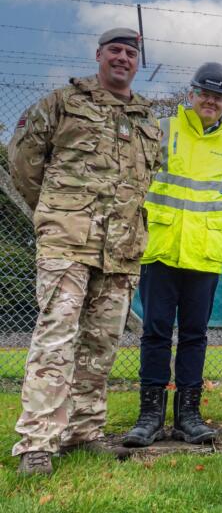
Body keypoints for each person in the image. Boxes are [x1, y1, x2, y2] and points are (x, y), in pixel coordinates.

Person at [9, 28, 160, 475]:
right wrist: (57, 212)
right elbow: (23, 162)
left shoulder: (147, 120)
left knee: (101, 344)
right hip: (68, 241)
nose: (122, 58)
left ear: (137, 63)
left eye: (130, 53)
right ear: (98, 55)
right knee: (56, 339)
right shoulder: (61, 103)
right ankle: (37, 441)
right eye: (114, 50)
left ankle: (83, 430)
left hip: (122, 248)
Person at [123, 62, 222, 447]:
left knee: (195, 336)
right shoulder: (162, 130)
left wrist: (209, 226)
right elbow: (137, 179)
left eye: (219, 97)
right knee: (155, 333)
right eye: (205, 94)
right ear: (190, 94)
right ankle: (149, 417)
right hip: (160, 250)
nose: (211, 101)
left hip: (205, 255)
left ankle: (188, 417)